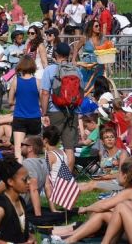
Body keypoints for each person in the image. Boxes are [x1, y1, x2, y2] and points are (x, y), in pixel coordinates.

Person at [50, 157, 132, 244]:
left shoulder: (130, 192)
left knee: (101, 214)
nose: (116, 176)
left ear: (125, 175)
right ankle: (70, 237)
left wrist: (85, 208)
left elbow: (103, 205)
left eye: (118, 173)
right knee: (103, 213)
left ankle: (70, 239)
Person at [39, 42, 79, 170]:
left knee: (50, 144)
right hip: (72, 112)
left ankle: (51, 176)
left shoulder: (50, 70)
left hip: (54, 110)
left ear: (56, 54)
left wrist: (44, 113)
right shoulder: (76, 70)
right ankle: (68, 180)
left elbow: (45, 93)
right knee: (69, 148)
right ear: (68, 54)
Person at [0, 157, 33, 244]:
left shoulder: (21, 201)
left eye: (29, 178)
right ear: (10, 182)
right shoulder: (0, 208)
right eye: (25, 179)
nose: (29, 182)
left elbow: (21, 229)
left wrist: (30, 238)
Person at [8, 55, 42, 161]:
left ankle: (20, 173)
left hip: (20, 117)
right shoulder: (37, 82)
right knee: (34, 149)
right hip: (34, 117)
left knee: (18, 149)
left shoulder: (16, 81)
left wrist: (16, 102)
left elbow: (10, 101)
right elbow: (41, 101)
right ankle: (33, 169)